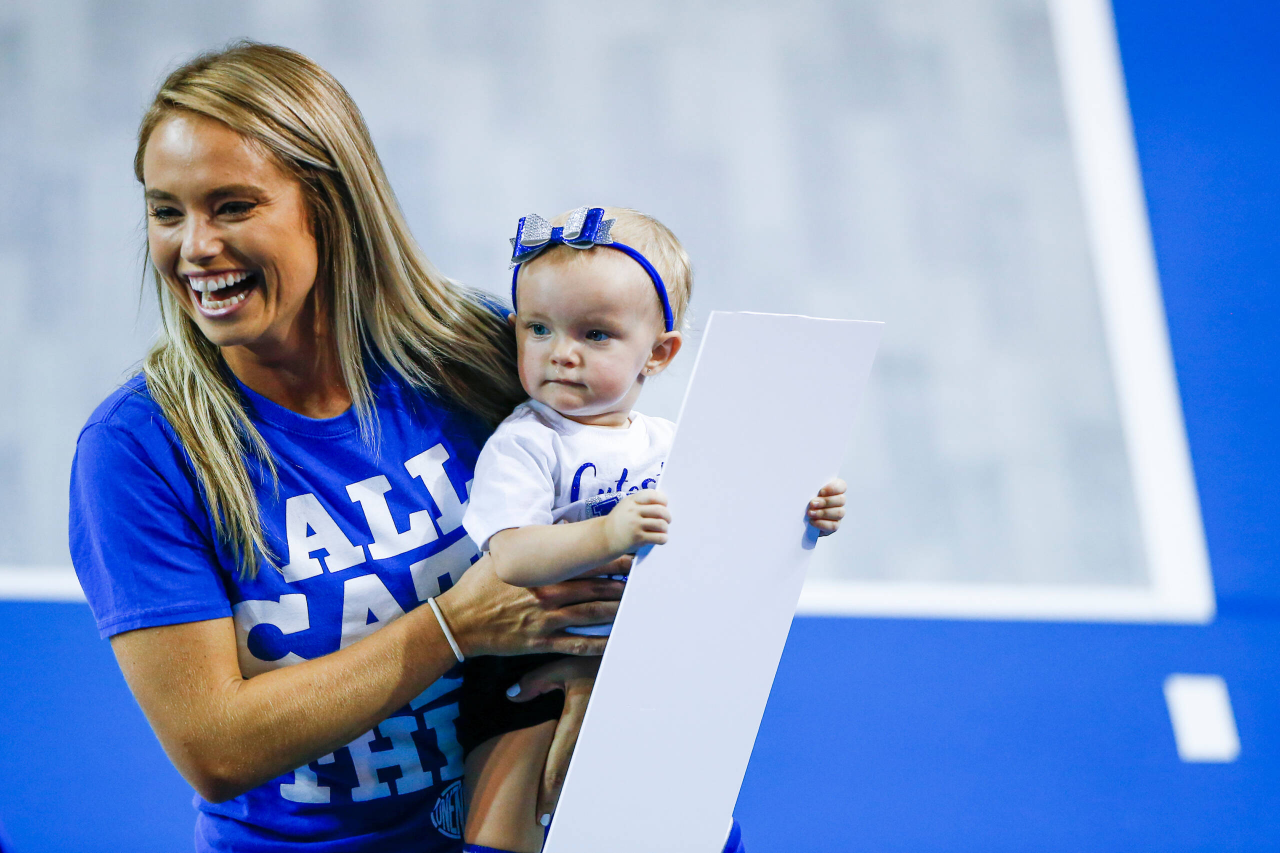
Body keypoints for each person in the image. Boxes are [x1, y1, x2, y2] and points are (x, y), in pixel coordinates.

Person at [68, 42, 624, 852]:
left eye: (231, 206)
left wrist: (592, 666)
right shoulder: (137, 450)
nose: (194, 247)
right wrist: (454, 626)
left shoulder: (474, 353)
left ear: (329, 206)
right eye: (166, 212)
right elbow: (215, 748)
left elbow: (619, 502)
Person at [457, 206, 847, 852]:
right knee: (512, 821)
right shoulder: (527, 443)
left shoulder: (672, 445)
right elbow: (512, 556)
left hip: (647, 659)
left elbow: (730, 527)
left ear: (659, 354)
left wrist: (806, 510)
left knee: (683, 821)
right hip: (530, 658)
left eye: (596, 334)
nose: (562, 353)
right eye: (539, 328)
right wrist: (606, 536)